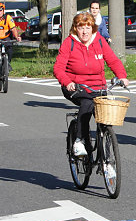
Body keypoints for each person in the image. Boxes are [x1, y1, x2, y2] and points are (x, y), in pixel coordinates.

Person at [54, 12, 129, 156]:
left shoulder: (99, 41)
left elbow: (113, 60)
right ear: (75, 28)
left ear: (93, 28)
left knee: (104, 117)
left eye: (88, 27)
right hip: (76, 87)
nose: (84, 31)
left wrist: (122, 76)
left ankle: (106, 156)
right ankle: (79, 140)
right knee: (87, 103)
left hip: (98, 87)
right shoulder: (69, 43)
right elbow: (58, 68)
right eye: (81, 28)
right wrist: (67, 82)